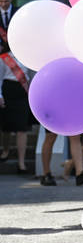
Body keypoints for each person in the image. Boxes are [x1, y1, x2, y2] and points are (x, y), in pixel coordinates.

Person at [0, 42, 31, 174]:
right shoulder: (3, 58)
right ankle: (5, 150)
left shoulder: (27, 57)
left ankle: (21, 163)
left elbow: (29, 76)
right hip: (8, 91)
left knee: (22, 128)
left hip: (21, 92)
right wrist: (0, 95)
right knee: (6, 126)